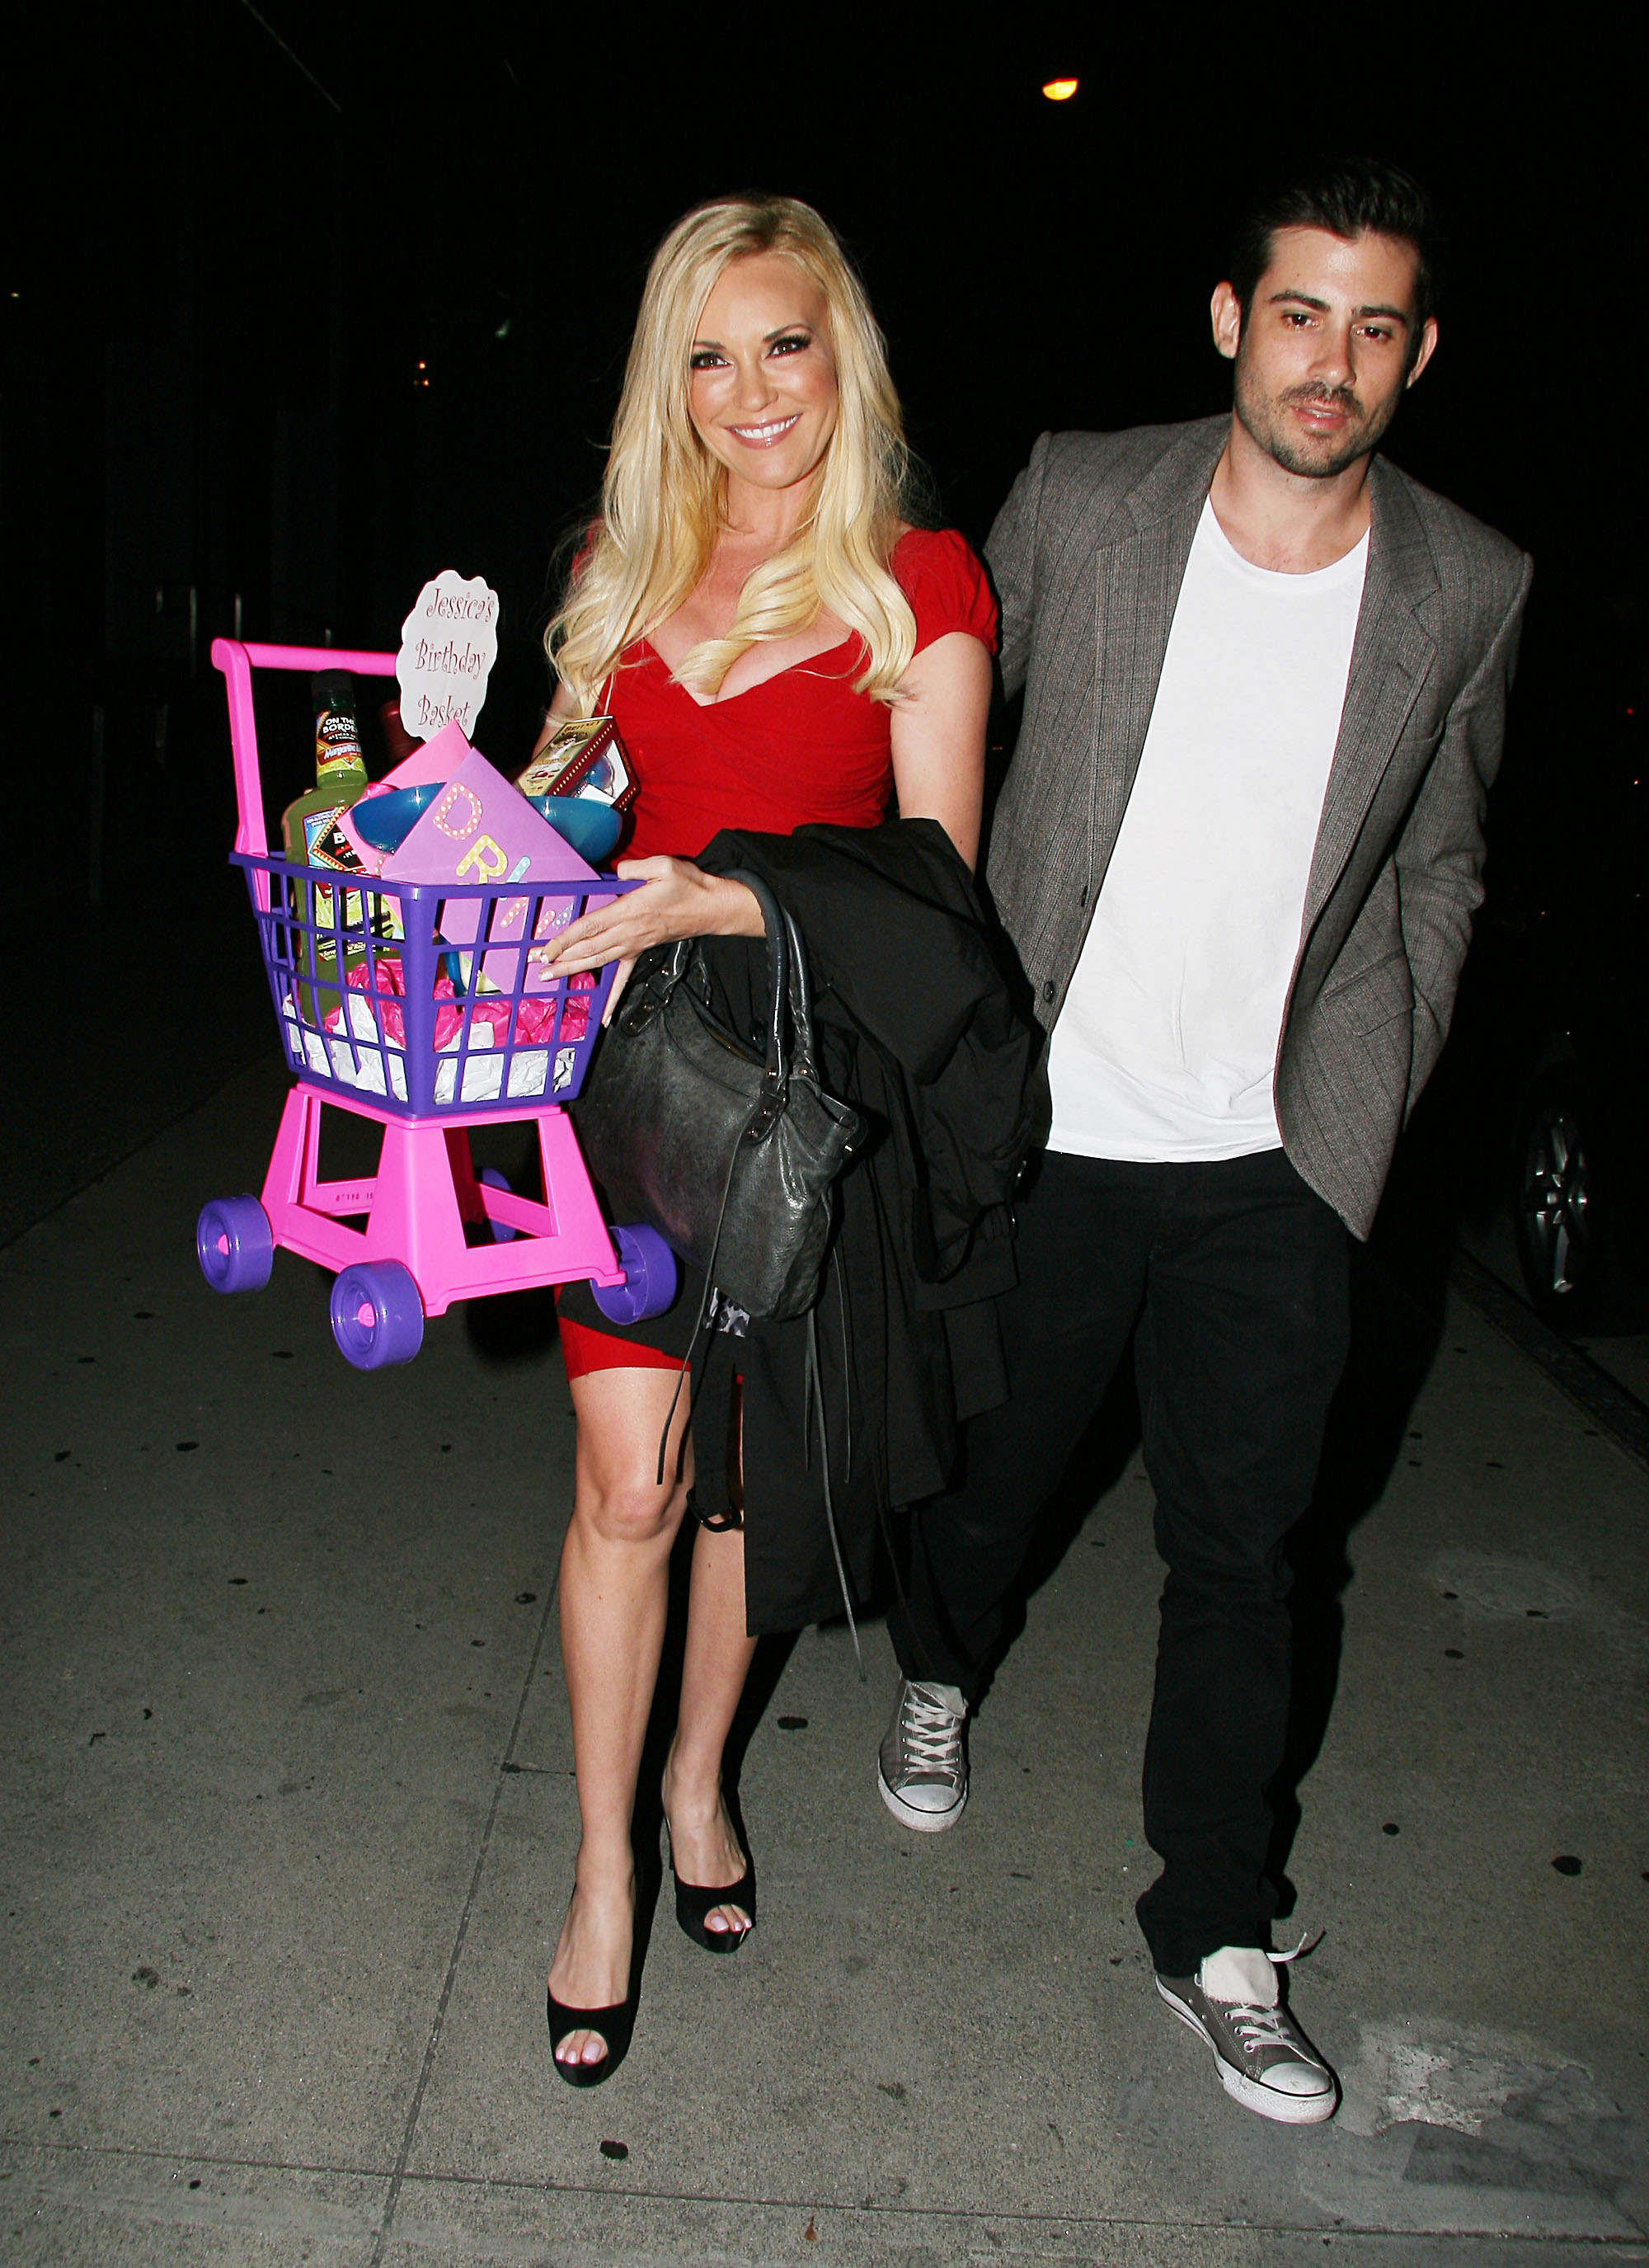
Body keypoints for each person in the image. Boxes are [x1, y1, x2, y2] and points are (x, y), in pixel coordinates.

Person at [877, 159, 1532, 2124]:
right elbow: (943, 726)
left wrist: (1372, 1086)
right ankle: (938, 1657)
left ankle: (1215, 1929)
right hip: (1057, 1116)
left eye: (1375, 326)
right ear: (1231, 319)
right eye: (1301, 313)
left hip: (1275, 1161)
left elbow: (1442, 860)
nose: (1333, 361)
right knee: (991, 1478)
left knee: (1246, 1554)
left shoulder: (1467, 585)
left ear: (1418, 352)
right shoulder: (1083, 496)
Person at [529, 194, 1002, 2084]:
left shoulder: (917, 577)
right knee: (626, 1484)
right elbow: (556, 811)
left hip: (799, 1085)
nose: (749, 392)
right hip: (620, 1076)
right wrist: (449, 795)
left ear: (839, 351)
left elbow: (941, 884)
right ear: (671, 380)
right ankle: (600, 1868)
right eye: (707, 355)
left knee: (741, 1484)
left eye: (782, 343)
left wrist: (723, 893)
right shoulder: (616, 567)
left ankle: (698, 1781)